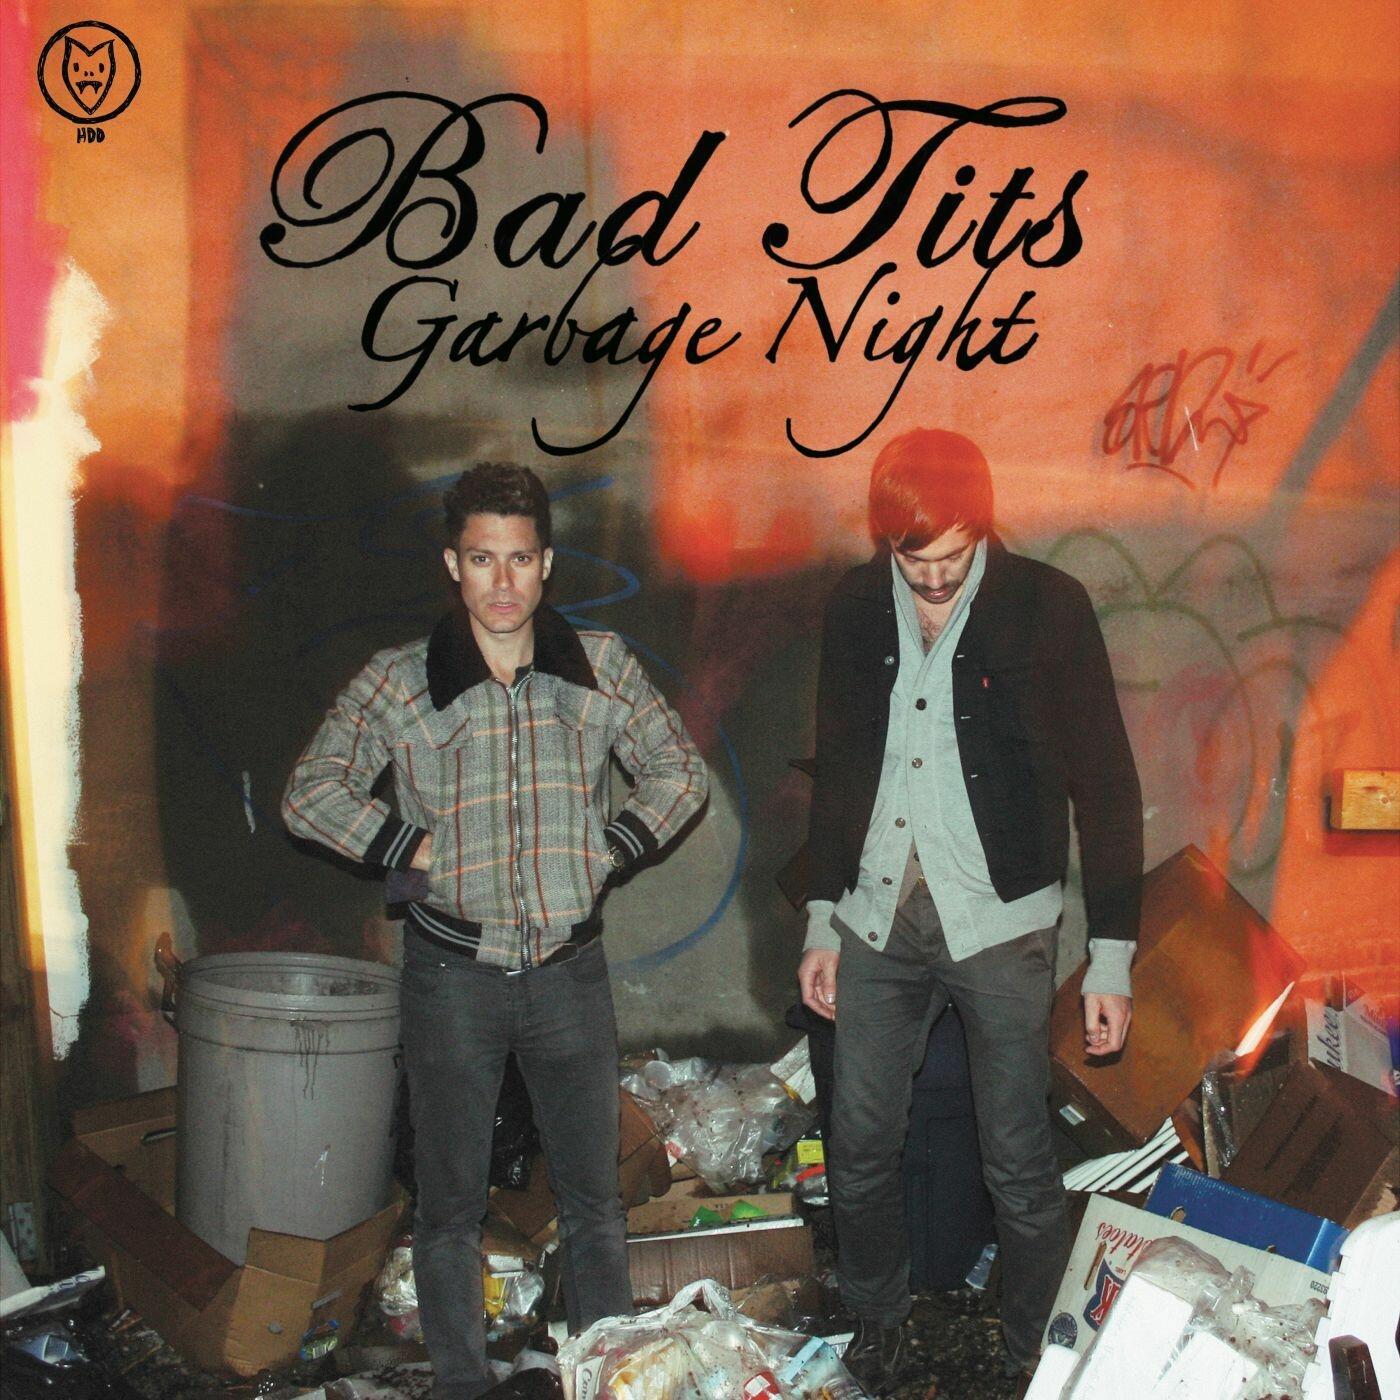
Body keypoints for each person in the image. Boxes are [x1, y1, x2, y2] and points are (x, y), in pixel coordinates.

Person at [283, 462, 708, 1400]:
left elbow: (681, 773)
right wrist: (407, 845)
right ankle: (463, 1385)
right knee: (448, 1210)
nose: (504, 582)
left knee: (595, 1204)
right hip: (451, 979)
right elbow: (309, 793)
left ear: (546, 562)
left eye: (520, 559)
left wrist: (611, 848)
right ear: (454, 564)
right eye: (482, 559)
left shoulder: (600, 666)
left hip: (568, 976)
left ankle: (604, 1376)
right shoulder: (400, 680)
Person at [797, 429, 1142, 1393]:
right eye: (916, 561)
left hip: (1000, 921)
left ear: (983, 527)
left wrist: (1111, 956)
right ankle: (878, 1323)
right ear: (886, 540)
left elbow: (1107, 783)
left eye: (955, 555)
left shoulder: (1048, 605)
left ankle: (1034, 1351)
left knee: (1018, 1160)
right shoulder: (855, 606)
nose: (938, 579)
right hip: (875, 915)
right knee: (860, 1146)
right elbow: (838, 768)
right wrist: (820, 918)